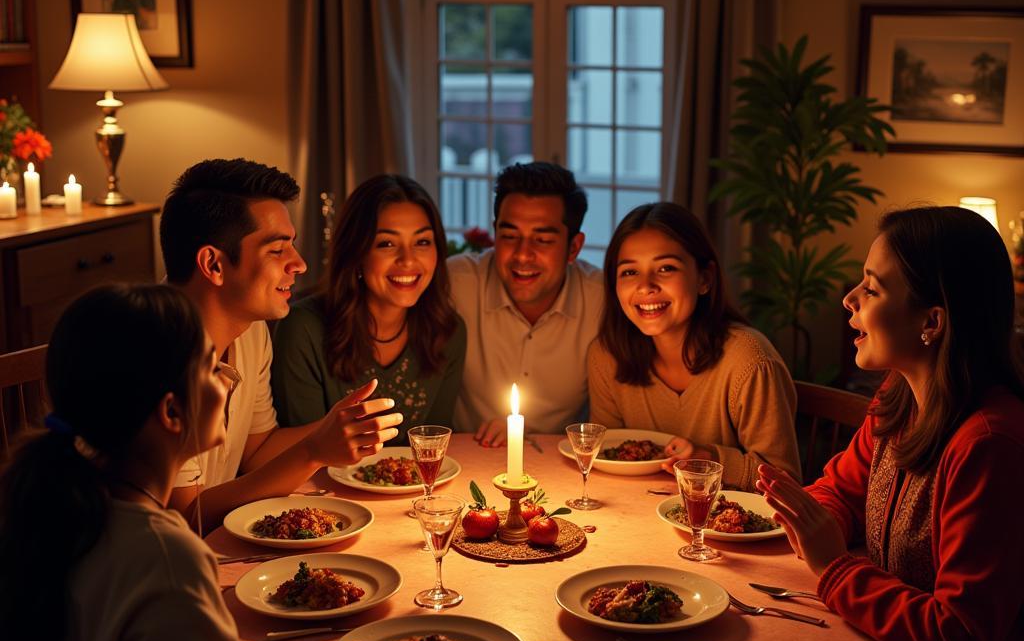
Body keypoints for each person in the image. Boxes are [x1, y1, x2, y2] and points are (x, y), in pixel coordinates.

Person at [0, 284, 440, 641]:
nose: (226, 383)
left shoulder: (57, 514)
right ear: (170, 411)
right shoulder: (162, 557)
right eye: (212, 370)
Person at [755, 206, 1024, 641]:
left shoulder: (990, 443)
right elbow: (839, 491)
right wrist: (813, 513)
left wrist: (834, 565)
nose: (849, 300)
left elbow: (961, 640)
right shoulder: (901, 400)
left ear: (933, 321)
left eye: (872, 289)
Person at [159, 159, 404, 529]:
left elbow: (257, 451)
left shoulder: (251, 329)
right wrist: (313, 452)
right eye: (277, 250)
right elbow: (184, 518)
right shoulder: (155, 354)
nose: (300, 264)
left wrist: (337, 428)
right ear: (214, 264)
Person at [587, 202, 799, 490]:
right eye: (629, 272)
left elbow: (786, 482)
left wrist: (708, 458)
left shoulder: (749, 360)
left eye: (665, 268)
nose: (646, 286)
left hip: (720, 526)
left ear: (704, 278)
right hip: (639, 514)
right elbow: (605, 459)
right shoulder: (607, 356)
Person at [271, 175, 466, 439]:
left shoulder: (448, 331)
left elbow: (434, 443)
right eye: (386, 243)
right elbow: (300, 452)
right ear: (357, 251)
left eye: (422, 242)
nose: (408, 261)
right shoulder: (304, 328)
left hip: (416, 480)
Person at [448, 161, 604, 444]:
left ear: (573, 248)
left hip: (560, 467)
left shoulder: (602, 300)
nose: (522, 255)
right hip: (463, 460)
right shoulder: (456, 283)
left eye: (542, 240)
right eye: (509, 236)